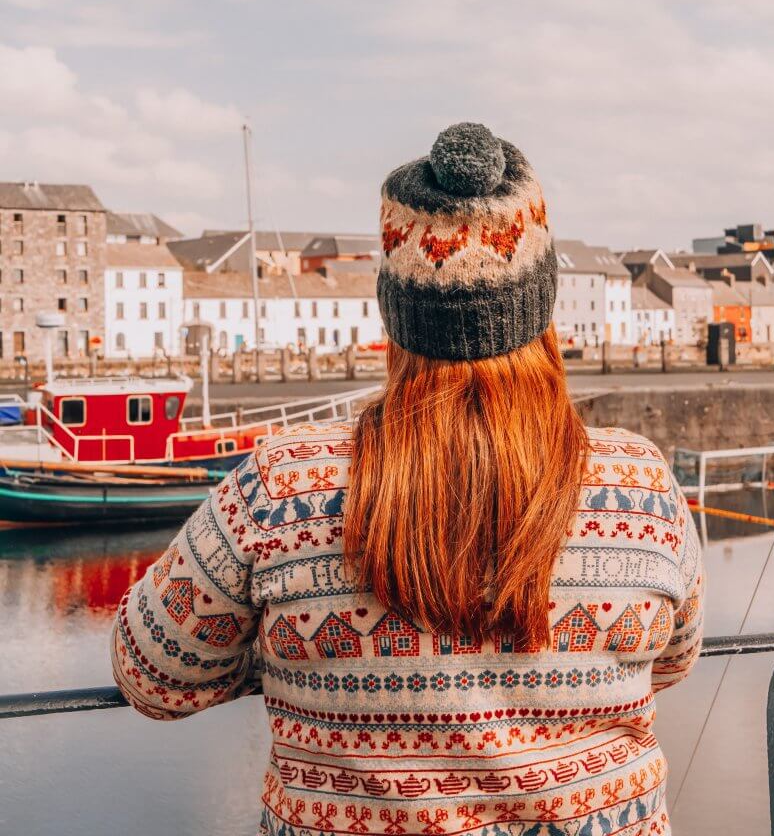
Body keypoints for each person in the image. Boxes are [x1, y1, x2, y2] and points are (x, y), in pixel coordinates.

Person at [112, 123, 704, 836]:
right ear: (542, 311)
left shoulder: (283, 486)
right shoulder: (638, 483)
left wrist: (290, 655)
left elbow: (152, 675)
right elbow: (671, 661)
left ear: (394, 315)